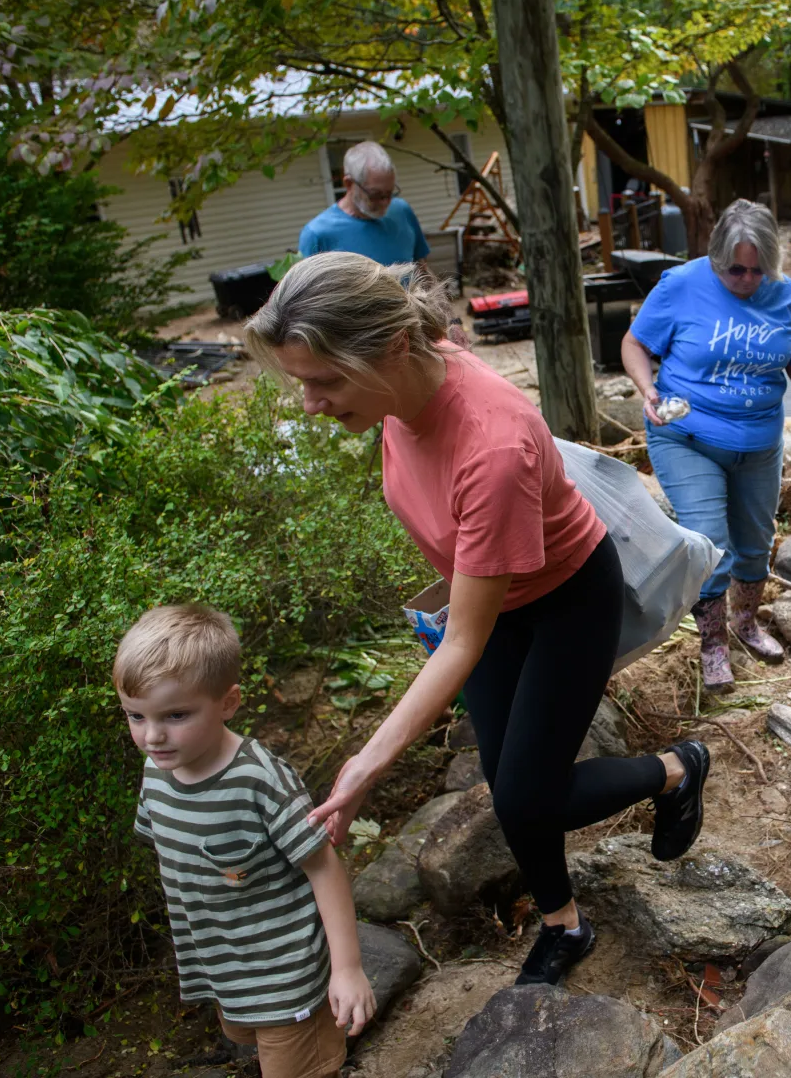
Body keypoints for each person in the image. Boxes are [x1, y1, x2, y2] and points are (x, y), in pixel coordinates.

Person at [243, 252, 710, 987]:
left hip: (565, 597)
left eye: (324, 381)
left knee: (530, 796)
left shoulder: (490, 444)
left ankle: (678, 769)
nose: (310, 403)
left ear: (392, 347)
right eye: (304, 382)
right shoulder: (406, 378)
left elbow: (465, 639)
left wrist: (366, 764)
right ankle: (567, 923)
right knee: (508, 783)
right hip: (496, 596)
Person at [117, 604, 375, 1078]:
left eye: (176, 715)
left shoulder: (259, 780)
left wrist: (347, 968)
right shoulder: (156, 772)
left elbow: (323, 866)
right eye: (135, 716)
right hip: (228, 973)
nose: (153, 736)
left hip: (288, 977)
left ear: (228, 702)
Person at [620, 199, 791, 692]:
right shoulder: (680, 285)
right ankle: (713, 644)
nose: (747, 279)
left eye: (758, 270)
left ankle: (746, 623)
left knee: (755, 545)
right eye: (735, 269)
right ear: (715, 259)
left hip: (758, 442)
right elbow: (635, 344)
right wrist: (648, 389)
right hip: (688, 435)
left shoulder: (785, 296)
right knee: (710, 542)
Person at [298, 140, 431, 268]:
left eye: (390, 193)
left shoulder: (402, 211)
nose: (385, 202)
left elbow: (421, 268)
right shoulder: (317, 234)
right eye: (375, 195)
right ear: (349, 184)